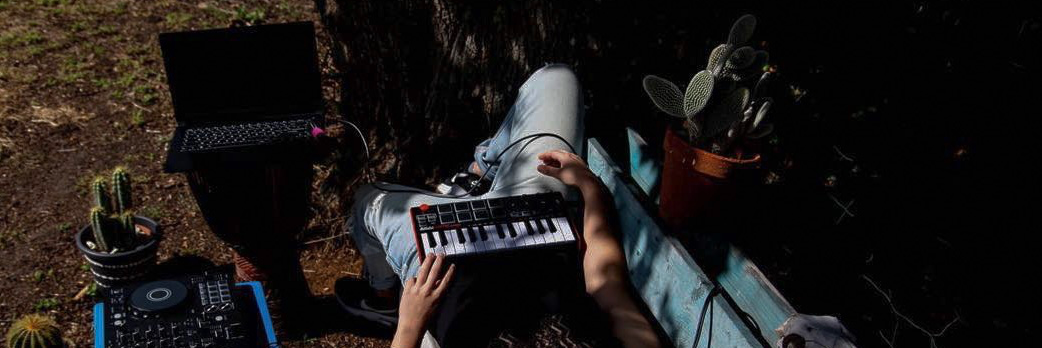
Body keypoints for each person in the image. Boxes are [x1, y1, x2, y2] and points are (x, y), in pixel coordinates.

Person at [338, 64, 662, 348]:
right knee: (555, 79)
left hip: (440, 269)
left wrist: (410, 324)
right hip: (535, 221)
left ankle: (382, 296)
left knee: (368, 198)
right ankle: (479, 175)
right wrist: (589, 186)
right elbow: (610, 288)